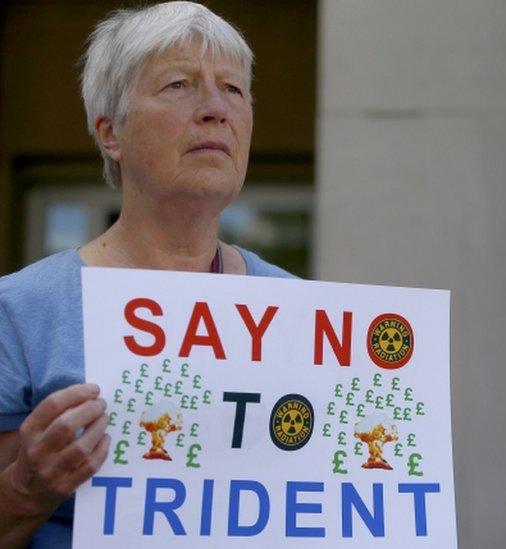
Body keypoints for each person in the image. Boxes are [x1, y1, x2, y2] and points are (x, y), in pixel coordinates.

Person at [0, 2, 294, 547]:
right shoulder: (20, 312)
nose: (215, 109)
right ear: (110, 133)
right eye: (179, 84)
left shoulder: (300, 311)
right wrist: (25, 490)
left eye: (233, 89)